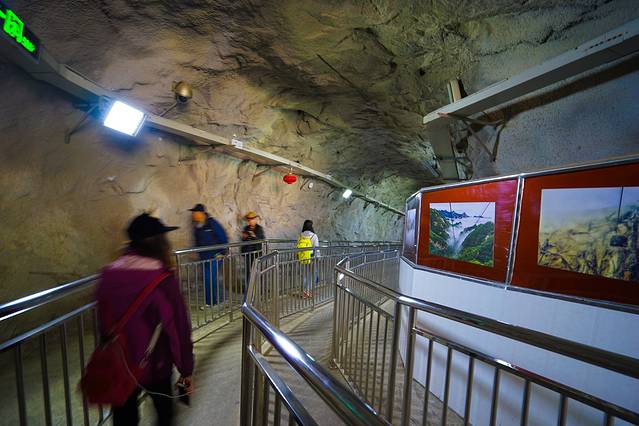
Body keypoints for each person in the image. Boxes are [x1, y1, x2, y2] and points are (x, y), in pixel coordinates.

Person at [96, 213, 194, 426]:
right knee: (164, 416)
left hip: (121, 364)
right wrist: (186, 369)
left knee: (124, 419)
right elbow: (178, 329)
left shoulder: (108, 274)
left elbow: (104, 323)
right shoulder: (162, 280)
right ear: (159, 242)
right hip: (155, 365)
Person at [189, 203, 228, 307]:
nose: (193, 215)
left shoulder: (212, 223)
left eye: (195, 213)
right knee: (208, 279)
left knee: (210, 278)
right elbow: (197, 242)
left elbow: (223, 237)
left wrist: (222, 253)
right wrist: (198, 253)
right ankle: (210, 302)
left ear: (201, 213)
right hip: (204, 258)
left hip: (215, 256)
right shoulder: (197, 226)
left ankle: (214, 302)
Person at [241, 211, 265, 286]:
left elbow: (262, 240)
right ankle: (249, 288)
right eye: (249, 219)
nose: (250, 221)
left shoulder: (259, 228)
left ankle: (258, 288)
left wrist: (254, 236)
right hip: (248, 253)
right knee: (248, 271)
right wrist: (244, 237)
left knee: (257, 271)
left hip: (256, 253)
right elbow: (244, 240)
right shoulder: (246, 228)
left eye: (252, 219)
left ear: (255, 219)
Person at [297, 220, 320, 298]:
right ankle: (308, 291)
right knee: (311, 275)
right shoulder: (314, 236)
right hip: (311, 258)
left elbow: (298, 245)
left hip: (302, 257)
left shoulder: (301, 235)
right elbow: (316, 248)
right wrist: (318, 257)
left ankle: (304, 292)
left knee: (304, 275)